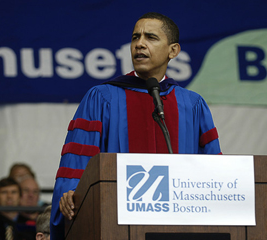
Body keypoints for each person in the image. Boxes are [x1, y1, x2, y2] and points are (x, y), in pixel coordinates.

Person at [51, 12, 221, 240]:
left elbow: (214, 171)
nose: (139, 44)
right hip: (115, 225)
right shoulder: (102, 98)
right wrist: (71, 193)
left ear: (173, 51)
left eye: (150, 37)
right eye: (135, 37)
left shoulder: (192, 105)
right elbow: (77, 162)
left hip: (181, 227)